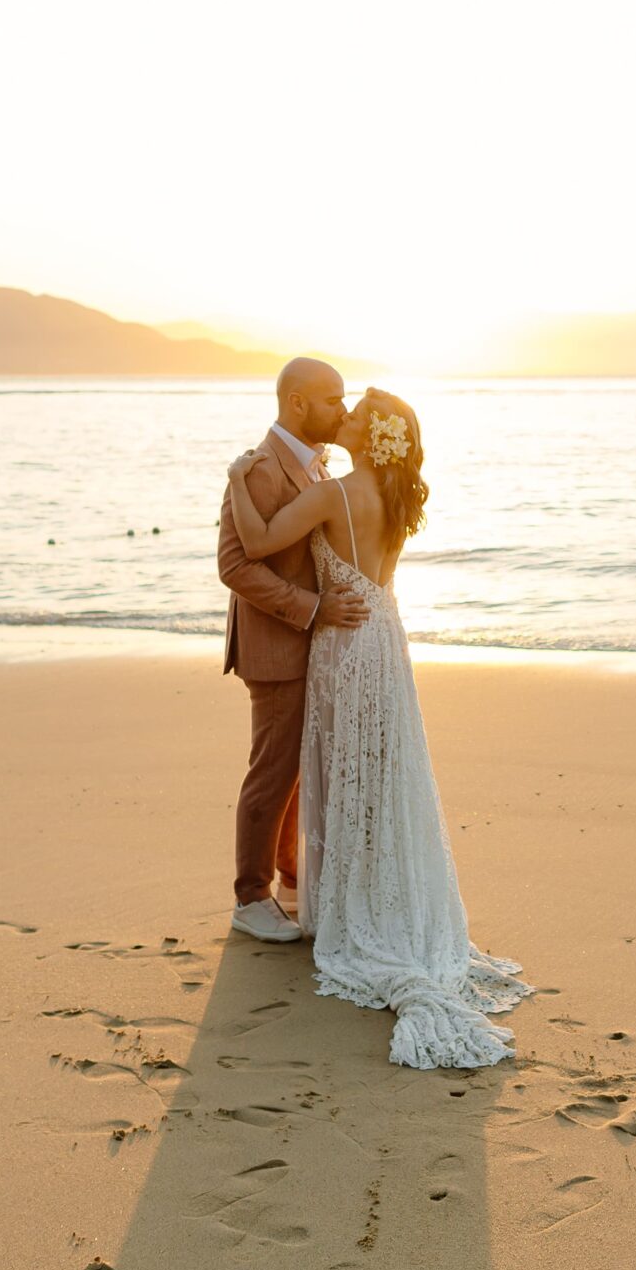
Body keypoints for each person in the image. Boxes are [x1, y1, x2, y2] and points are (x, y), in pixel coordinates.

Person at [223, 385, 531, 1069]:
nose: (345, 416)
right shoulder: (396, 495)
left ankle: (350, 908)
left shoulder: (336, 493)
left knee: (344, 774)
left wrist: (237, 479)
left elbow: (259, 538)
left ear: (369, 437)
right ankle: (376, 898)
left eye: (355, 413)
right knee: (385, 776)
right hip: (387, 640)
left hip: (344, 646)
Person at [218, 358, 369, 944]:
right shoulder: (261, 470)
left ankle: (289, 876)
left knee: (299, 770)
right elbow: (234, 565)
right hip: (276, 644)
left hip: (309, 643)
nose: (344, 409)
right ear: (298, 403)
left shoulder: (312, 464)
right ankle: (249, 897)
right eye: (333, 399)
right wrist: (312, 607)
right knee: (273, 770)